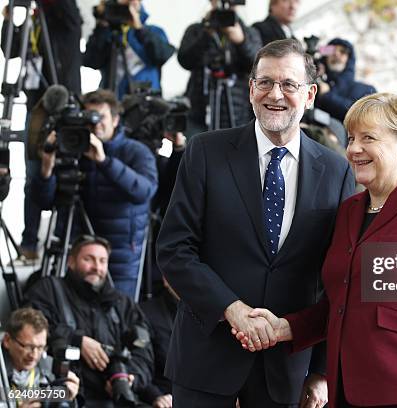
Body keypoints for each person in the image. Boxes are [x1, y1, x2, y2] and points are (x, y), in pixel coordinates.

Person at [235, 93, 397, 407]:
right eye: (351, 138)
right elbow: (339, 303)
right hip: (347, 390)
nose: (353, 149)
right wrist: (287, 328)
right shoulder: (350, 210)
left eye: (368, 138)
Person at [156, 39, 355, 406]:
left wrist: (321, 371)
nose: (274, 94)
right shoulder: (204, 152)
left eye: (288, 85)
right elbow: (174, 250)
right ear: (250, 90)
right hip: (205, 358)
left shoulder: (336, 169)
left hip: (287, 368)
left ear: (310, 94)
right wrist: (232, 310)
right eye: (264, 82)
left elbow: (338, 279)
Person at [33, 89, 158, 298]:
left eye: (100, 117)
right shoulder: (72, 148)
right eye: (89, 117)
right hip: (77, 249)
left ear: (116, 120)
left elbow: (144, 191)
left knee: (118, 319)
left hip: (120, 257)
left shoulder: (136, 152)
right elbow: (44, 201)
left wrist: (104, 161)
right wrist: (46, 167)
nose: (95, 124)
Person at [24, 235, 154, 407]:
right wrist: (76, 340)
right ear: (70, 261)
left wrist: (130, 378)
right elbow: (28, 330)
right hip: (64, 396)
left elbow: (144, 352)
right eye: (89, 259)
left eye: (102, 261)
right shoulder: (48, 290)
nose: (97, 267)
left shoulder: (123, 304)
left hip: (116, 400)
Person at [1, 0, 82, 260]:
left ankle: (63, 243)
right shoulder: (33, 19)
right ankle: (30, 242)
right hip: (37, 105)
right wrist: (10, 19)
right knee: (35, 172)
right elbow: (10, 49)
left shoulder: (64, 14)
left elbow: (69, 14)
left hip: (64, 99)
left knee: (67, 172)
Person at [178, 0, 261, 136]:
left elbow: (258, 67)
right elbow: (185, 61)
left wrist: (241, 41)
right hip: (200, 113)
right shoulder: (196, 30)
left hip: (238, 114)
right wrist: (206, 35)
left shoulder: (249, 33)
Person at [83, 0, 175, 99]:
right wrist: (102, 25)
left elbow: (161, 56)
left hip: (146, 101)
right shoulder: (109, 34)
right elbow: (90, 61)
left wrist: (140, 29)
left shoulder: (154, 31)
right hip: (113, 102)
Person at [2, 308, 80, 407]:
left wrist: (70, 398)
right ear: (7, 340)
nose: (34, 355)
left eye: (40, 348)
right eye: (28, 347)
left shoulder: (49, 368)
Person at [314, 38, 376, 122]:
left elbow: (361, 116)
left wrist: (327, 95)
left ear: (349, 59)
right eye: (331, 50)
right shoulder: (315, 84)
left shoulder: (367, 90)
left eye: (342, 51)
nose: (336, 54)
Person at [138, 278, 178, 408]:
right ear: (166, 279)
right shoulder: (145, 313)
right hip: (162, 398)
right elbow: (138, 363)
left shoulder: (209, 314)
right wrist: (155, 396)